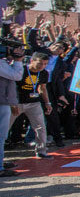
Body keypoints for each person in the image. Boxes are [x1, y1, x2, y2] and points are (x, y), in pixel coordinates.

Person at [17, 52, 54, 159]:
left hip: (34, 103)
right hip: (18, 102)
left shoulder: (44, 73)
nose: (42, 66)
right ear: (32, 61)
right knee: (5, 127)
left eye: (45, 64)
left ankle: (41, 151)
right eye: (40, 64)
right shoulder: (22, 70)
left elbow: (42, 88)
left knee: (40, 127)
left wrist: (47, 103)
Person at [0, 36, 25, 176]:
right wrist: (18, 61)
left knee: (2, 136)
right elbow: (16, 75)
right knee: (0, 136)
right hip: (1, 103)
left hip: (4, 101)